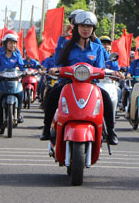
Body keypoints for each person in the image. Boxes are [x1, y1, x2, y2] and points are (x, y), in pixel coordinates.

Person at [40, 11, 119, 145]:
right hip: (68, 84)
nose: (85, 29)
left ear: (93, 29)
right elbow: (57, 63)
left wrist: (113, 73)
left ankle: (111, 132)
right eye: (82, 26)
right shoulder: (66, 46)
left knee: (106, 98)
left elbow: (100, 68)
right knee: (52, 95)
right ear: (76, 27)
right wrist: (55, 68)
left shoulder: (98, 49)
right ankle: (46, 128)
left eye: (89, 27)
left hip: (90, 85)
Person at [0, 32, 25, 127]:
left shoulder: (17, 56)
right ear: (5, 44)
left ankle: (18, 113)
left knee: (21, 94)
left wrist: (25, 71)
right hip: (1, 80)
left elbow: (22, 67)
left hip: (14, 81)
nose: (13, 45)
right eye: (10, 43)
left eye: (14, 43)